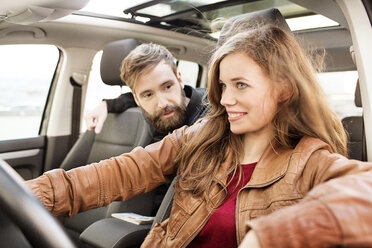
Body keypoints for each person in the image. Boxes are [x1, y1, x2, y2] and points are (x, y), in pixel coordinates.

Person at [26, 25, 372, 247]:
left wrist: (270, 237)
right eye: (222, 85)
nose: (224, 99)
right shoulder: (201, 136)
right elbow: (116, 172)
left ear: (283, 90)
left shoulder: (310, 159)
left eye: (240, 85)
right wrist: (30, 195)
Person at [84, 43, 207, 138]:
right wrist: (107, 105)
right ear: (137, 99)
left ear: (180, 80)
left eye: (168, 87)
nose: (162, 103)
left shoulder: (213, 112)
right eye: (148, 94)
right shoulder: (153, 111)